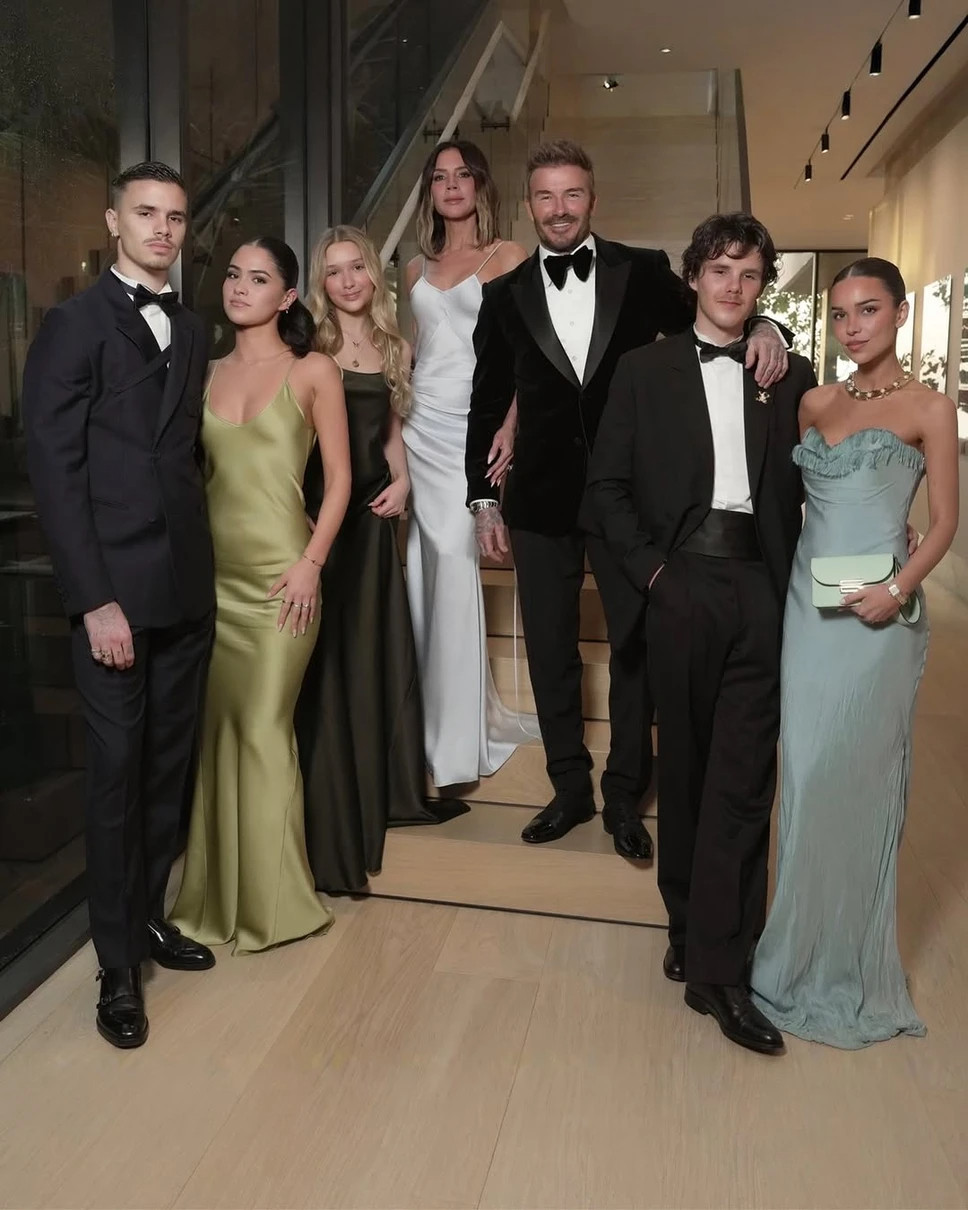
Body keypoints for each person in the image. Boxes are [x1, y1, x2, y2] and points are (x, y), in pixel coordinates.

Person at [467, 142, 789, 862]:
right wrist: (482, 499)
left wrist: (769, 326)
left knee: (634, 649)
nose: (559, 209)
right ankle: (568, 787)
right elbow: (486, 401)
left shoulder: (641, 271)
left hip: (633, 500)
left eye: (572, 194)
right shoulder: (502, 295)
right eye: (546, 196)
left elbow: (717, 315)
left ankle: (624, 794)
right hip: (540, 498)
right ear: (529, 204)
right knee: (549, 648)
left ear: (593, 198)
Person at [584, 212, 816, 1054]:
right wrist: (655, 577)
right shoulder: (643, 370)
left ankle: (723, 969)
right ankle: (686, 927)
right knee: (682, 771)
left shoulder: (788, 372)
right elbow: (604, 488)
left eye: (750, 276)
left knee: (744, 779)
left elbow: (828, 470)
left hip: (762, 584)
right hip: (679, 583)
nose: (734, 287)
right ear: (693, 277)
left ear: (763, 288)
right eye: (720, 270)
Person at [22, 161, 216, 1049]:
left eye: (175, 216)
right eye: (146, 213)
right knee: (113, 780)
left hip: (184, 590)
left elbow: (183, 460)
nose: (162, 229)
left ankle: (146, 919)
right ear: (113, 223)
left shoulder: (194, 325)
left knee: (166, 772)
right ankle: (114, 967)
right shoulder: (72, 325)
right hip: (113, 598)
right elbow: (55, 473)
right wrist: (94, 600)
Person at [750, 258, 958, 1049]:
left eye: (868, 310)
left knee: (859, 781)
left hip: (880, 620)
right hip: (811, 609)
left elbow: (944, 523)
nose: (852, 328)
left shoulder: (930, 408)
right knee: (805, 775)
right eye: (840, 315)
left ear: (900, 314)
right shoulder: (813, 403)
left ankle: (848, 964)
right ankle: (791, 956)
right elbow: (793, 503)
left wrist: (898, 587)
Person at [170, 237, 351, 954]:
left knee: (262, 729)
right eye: (233, 276)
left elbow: (340, 480)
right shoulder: (203, 372)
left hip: (283, 581)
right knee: (218, 735)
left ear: (288, 297)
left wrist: (312, 563)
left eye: (259, 278)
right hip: (212, 583)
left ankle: (278, 906)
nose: (240, 287)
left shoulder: (313, 370)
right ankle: (212, 901)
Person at [297, 226, 467, 894]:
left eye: (357, 268)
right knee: (328, 654)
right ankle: (329, 787)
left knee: (372, 649)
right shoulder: (308, 345)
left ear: (375, 275)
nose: (347, 281)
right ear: (322, 283)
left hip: (370, 518)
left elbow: (390, 428)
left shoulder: (395, 345)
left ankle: (384, 781)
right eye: (333, 271)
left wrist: (404, 481)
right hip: (318, 517)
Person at [403, 139, 536, 787]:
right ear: (429, 191)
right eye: (439, 177)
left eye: (462, 175)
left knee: (455, 570)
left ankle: (455, 743)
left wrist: (510, 423)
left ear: (480, 184)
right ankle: (422, 723)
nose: (451, 185)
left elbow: (528, 352)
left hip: (471, 428)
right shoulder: (413, 267)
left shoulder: (507, 256)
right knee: (420, 572)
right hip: (417, 426)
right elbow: (412, 351)